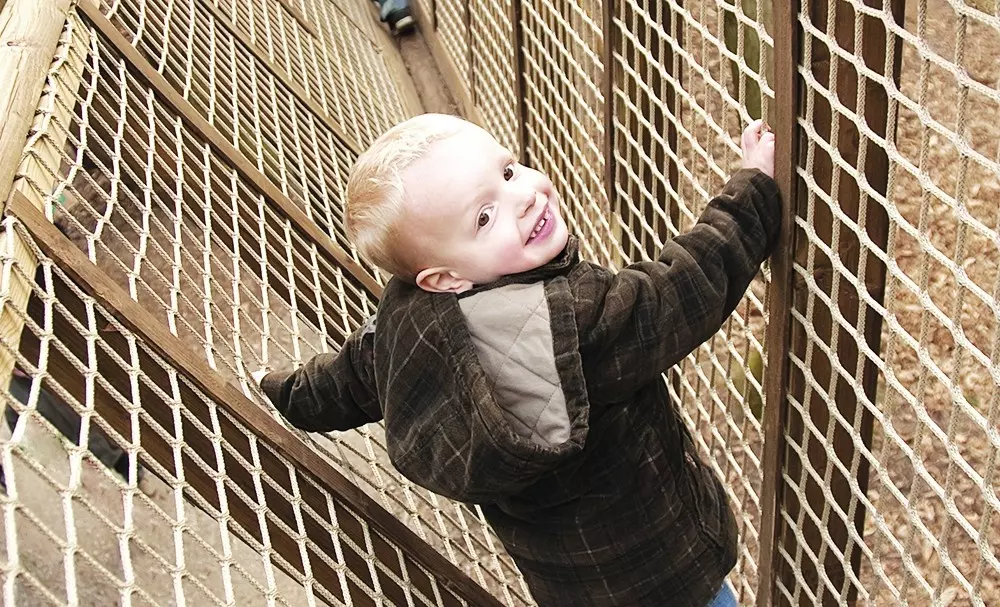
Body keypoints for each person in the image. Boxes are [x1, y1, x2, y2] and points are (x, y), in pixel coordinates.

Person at [253, 113, 778, 605]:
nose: (523, 197)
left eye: (507, 172)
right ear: (444, 277)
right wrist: (754, 187)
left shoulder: (406, 322)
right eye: (484, 217)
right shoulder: (573, 322)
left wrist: (282, 391)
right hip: (666, 570)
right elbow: (682, 289)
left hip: (568, 586)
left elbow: (344, 380)